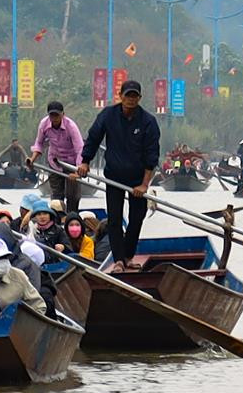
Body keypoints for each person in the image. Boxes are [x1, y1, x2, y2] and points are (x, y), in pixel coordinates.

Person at [80, 80, 160, 272]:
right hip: (113, 176)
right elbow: (93, 137)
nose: (131, 100)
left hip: (137, 179)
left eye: (135, 96)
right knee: (114, 219)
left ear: (139, 98)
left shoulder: (148, 121)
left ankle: (128, 256)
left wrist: (145, 184)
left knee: (136, 219)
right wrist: (85, 161)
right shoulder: (108, 115)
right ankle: (118, 261)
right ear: (120, 96)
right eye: (127, 96)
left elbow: (152, 154)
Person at [29, 101, 87, 214]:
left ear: (63, 114)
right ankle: (56, 218)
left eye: (57, 115)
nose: (54, 118)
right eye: (52, 115)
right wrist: (32, 159)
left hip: (72, 163)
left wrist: (78, 171)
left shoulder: (71, 126)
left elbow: (80, 148)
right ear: (48, 115)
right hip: (55, 161)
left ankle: (72, 217)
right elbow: (39, 143)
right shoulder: (44, 124)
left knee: (73, 196)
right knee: (56, 196)